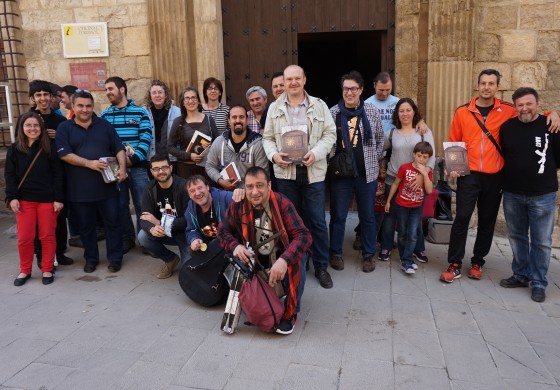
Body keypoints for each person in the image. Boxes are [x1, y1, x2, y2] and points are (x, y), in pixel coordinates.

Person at [440, 69, 559, 283]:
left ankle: (478, 262)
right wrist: (452, 166)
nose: (486, 87)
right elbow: (455, 140)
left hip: (495, 175)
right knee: (462, 218)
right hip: (470, 174)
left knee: (487, 220)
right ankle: (455, 263)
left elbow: (531, 112)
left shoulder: (508, 110)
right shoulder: (463, 112)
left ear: (497, 87)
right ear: (477, 86)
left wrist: (553, 112)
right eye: (483, 83)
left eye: (491, 83)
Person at [263, 64, 336, 289]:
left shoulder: (319, 105)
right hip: (286, 173)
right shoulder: (274, 108)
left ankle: (321, 265)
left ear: (304, 80)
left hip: (313, 172)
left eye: (297, 78)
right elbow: (267, 138)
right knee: (290, 223)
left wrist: (316, 153)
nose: (293, 83)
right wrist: (274, 155)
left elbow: (330, 133)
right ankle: (297, 261)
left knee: (316, 220)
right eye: (289, 79)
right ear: (283, 83)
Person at [217, 166, 311, 335]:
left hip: (279, 257)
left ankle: (291, 312)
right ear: (244, 187)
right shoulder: (238, 205)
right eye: (249, 186)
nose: (254, 192)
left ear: (269, 185)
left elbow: (303, 236)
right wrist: (235, 246)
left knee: (299, 257)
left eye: (259, 185)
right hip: (255, 259)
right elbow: (222, 231)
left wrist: (284, 260)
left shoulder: (282, 204)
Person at [498, 87, 560, 303]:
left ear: (537, 104)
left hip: (543, 194)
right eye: (520, 105)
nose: (524, 108)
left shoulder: (551, 126)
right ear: (515, 106)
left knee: (541, 241)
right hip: (513, 192)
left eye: (529, 104)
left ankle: (539, 282)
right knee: (516, 237)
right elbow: (506, 156)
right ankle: (521, 274)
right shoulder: (507, 128)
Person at [56, 90, 127, 273]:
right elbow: (64, 154)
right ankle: (91, 259)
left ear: (93, 106)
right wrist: (89, 164)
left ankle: (115, 258)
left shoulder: (104, 125)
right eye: (80, 105)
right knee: (86, 227)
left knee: (113, 224)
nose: (85, 109)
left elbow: (119, 148)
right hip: (79, 190)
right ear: (73, 106)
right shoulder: (65, 128)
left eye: (88, 106)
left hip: (107, 187)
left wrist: (123, 169)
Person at [328, 70, 384, 273]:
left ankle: (369, 255)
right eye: (346, 88)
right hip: (341, 176)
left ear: (361, 90)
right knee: (338, 216)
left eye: (353, 88)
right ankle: (335, 253)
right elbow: (328, 142)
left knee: (368, 216)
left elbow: (379, 140)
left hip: (366, 174)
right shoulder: (333, 112)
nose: (349, 92)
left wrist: (373, 161)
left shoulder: (371, 111)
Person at [16, 80, 72, 267]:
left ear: (52, 97)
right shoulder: (27, 119)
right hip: (35, 178)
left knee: (60, 215)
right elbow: (20, 146)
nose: (42, 98)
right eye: (38, 95)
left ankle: (60, 251)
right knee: (39, 222)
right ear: (33, 98)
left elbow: (66, 147)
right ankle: (40, 254)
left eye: (46, 95)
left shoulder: (60, 121)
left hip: (57, 174)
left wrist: (57, 136)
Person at [5, 112, 64, 286]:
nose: (32, 129)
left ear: (41, 128)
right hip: (24, 200)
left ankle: (47, 268)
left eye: (36, 125)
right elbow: (9, 175)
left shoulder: (49, 147)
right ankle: (25, 270)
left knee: (47, 235)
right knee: (25, 237)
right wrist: (11, 197)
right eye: (28, 125)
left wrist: (58, 198)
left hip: (47, 200)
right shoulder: (14, 149)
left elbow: (58, 175)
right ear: (22, 128)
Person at [379, 98, 436, 263]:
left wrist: (422, 175)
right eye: (401, 110)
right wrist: (382, 161)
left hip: (416, 181)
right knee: (390, 215)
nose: (405, 114)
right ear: (397, 113)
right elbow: (379, 149)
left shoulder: (424, 132)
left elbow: (431, 158)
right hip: (393, 178)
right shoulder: (391, 133)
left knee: (414, 216)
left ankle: (419, 249)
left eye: (408, 110)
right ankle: (386, 246)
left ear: (414, 112)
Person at [101, 76, 152, 253]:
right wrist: (118, 162)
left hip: (138, 168)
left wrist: (133, 159)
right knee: (121, 205)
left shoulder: (140, 112)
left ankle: (145, 240)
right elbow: (103, 141)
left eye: (110, 89)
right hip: (116, 169)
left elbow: (146, 137)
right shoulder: (105, 115)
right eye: (106, 90)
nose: (107, 93)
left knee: (142, 204)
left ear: (122, 89)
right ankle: (127, 239)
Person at [385, 142, 434, 274]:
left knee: (412, 234)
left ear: (429, 158)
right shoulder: (404, 168)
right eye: (419, 156)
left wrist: (424, 174)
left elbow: (429, 191)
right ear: (414, 154)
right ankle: (404, 259)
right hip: (401, 205)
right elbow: (395, 184)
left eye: (425, 157)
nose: (421, 159)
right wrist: (389, 201)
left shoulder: (427, 173)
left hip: (416, 208)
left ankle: (407, 261)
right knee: (402, 233)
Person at [138, 154, 189, 278]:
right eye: (156, 169)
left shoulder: (183, 186)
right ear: (151, 171)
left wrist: (158, 223)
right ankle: (170, 259)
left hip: (184, 234)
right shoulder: (149, 189)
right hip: (164, 232)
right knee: (143, 236)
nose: (160, 172)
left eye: (164, 167)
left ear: (171, 168)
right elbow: (144, 218)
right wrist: (152, 228)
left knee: (187, 273)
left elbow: (188, 220)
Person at [205, 105, 269, 190]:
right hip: (226, 193)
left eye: (241, 117)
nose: (238, 120)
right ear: (229, 120)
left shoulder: (258, 144)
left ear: (247, 120)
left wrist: (247, 190)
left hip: (251, 193)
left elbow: (262, 174)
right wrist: (220, 180)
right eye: (234, 117)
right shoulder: (219, 141)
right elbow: (209, 165)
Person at [168, 86, 219, 179]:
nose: (191, 101)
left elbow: (218, 142)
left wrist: (211, 146)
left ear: (198, 100)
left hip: (206, 169)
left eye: (193, 97)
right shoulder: (178, 122)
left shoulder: (208, 119)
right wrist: (189, 156)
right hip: (185, 169)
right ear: (183, 102)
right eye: (187, 98)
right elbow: (170, 147)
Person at [143, 80, 181, 164]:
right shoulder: (143, 112)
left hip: (171, 158)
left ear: (166, 94)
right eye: (154, 93)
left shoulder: (178, 112)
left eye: (160, 92)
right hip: (150, 158)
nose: (157, 95)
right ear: (150, 95)